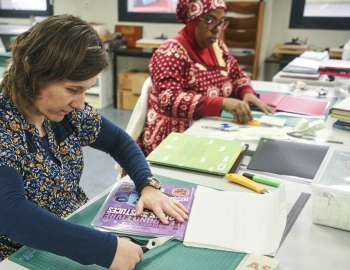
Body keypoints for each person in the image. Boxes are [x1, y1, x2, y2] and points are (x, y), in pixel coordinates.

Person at [0, 14, 188, 270]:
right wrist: (106, 249)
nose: (80, 103)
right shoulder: (5, 126)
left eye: (86, 90)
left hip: (74, 226)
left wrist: (147, 184)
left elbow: (120, 142)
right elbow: (11, 214)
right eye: (73, 89)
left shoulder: (68, 114)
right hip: (19, 255)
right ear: (35, 76)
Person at [137, 0, 275, 157]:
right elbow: (170, 99)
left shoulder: (217, 47)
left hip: (207, 127)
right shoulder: (169, 53)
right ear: (192, 19)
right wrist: (222, 103)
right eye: (210, 21)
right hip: (174, 139)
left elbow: (237, 74)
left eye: (221, 22)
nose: (217, 30)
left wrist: (246, 92)